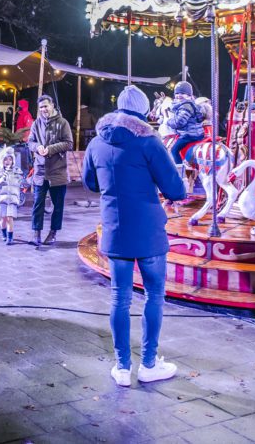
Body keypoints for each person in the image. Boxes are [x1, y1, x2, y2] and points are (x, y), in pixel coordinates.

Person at [83, 86, 187, 386]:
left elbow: (90, 183)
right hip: (149, 231)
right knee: (154, 295)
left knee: (120, 297)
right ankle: (150, 364)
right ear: (143, 110)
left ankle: (123, 367)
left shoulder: (97, 143)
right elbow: (176, 189)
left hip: (115, 230)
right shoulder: (149, 141)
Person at [26, 95, 73, 246]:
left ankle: (53, 233)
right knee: (37, 203)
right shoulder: (36, 123)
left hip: (58, 172)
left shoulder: (62, 123)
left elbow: (68, 143)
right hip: (40, 171)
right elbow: (30, 142)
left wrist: (51, 149)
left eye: (46, 106)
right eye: (41, 107)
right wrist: (37, 147)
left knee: (57, 205)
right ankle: (36, 233)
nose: (43, 110)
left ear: (52, 105)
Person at [0, 146, 23, 245]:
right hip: (2, 200)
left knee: (9, 218)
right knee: (3, 219)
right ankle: (4, 233)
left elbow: (21, 183)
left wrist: (23, 182)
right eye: (5, 159)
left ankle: (10, 237)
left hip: (12, 200)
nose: (8, 161)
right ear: (1, 161)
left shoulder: (16, 172)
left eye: (10, 159)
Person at [166, 82, 205, 162]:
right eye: (177, 93)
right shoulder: (185, 105)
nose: (179, 95)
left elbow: (179, 122)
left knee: (174, 150)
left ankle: (179, 168)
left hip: (189, 135)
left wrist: (168, 121)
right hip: (195, 133)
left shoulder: (186, 106)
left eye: (183, 93)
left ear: (189, 95)